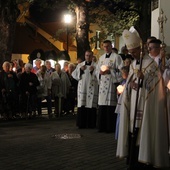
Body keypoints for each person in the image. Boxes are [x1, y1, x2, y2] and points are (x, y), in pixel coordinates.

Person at [116, 27, 170, 169]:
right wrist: (131, 84)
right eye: (131, 52)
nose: (132, 55)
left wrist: (144, 80)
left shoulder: (151, 66)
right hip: (133, 104)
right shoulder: (134, 64)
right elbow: (128, 83)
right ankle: (133, 160)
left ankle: (144, 160)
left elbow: (156, 89)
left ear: (141, 49)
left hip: (145, 106)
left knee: (142, 132)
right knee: (132, 132)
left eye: (134, 52)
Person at [96, 40, 123, 133]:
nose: (106, 48)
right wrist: (99, 73)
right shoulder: (101, 58)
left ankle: (110, 127)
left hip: (111, 83)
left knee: (110, 106)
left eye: (108, 46)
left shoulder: (117, 57)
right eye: (104, 46)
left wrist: (110, 71)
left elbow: (121, 71)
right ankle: (101, 126)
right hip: (103, 84)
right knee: (102, 106)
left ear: (111, 46)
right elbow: (97, 70)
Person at [72, 50, 98, 128]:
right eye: (87, 55)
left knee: (91, 105)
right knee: (82, 105)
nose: (88, 57)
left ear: (92, 56)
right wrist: (80, 70)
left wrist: (93, 71)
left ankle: (91, 124)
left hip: (92, 88)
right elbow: (74, 75)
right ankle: (81, 124)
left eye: (90, 55)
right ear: (85, 56)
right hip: (82, 89)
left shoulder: (96, 66)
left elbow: (99, 77)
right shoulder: (80, 65)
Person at [115, 66, 129, 140]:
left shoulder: (128, 81)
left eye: (123, 73)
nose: (122, 74)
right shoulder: (123, 81)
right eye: (122, 73)